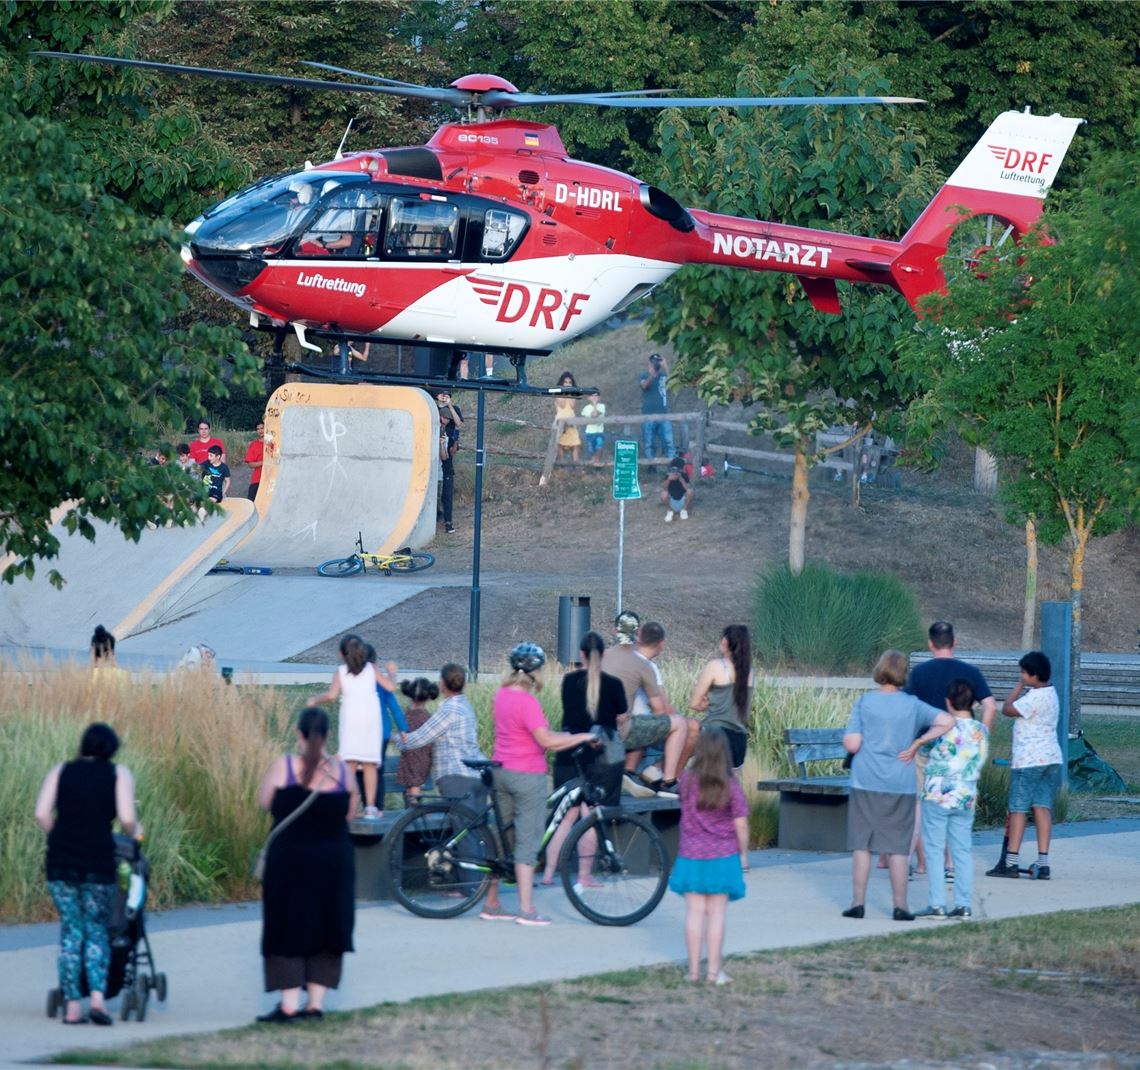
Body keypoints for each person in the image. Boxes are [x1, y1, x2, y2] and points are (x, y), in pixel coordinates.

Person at [478, 643, 597, 926]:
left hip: (501, 771)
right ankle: (527, 910)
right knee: (527, 840)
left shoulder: (502, 695)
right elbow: (545, 742)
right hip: (526, 775)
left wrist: (565, 734)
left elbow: (534, 734)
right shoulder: (527, 700)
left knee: (501, 841)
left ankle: (492, 902)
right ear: (536, 672)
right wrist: (581, 737)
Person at [34, 722, 141, 1026]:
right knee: (96, 929)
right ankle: (97, 1000)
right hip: (97, 862)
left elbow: (41, 813)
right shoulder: (117, 774)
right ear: (111, 748)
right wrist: (135, 833)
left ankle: (71, 1006)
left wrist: (59, 836)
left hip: (61, 863)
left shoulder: (61, 771)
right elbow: (127, 819)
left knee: (71, 930)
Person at [256, 706, 355, 1023]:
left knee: (287, 924)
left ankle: (288, 1006)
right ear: (328, 736)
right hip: (333, 862)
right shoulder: (342, 773)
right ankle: (315, 1005)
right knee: (328, 925)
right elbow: (349, 815)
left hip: (289, 862)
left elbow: (265, 803)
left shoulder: (283, 767)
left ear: (299, 734)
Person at [841, 650, 952, 922]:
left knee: (862, 845)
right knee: (898, 848)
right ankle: (900, 906)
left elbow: (852, 744)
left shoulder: (865, 702)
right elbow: (947, 721)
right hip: (901, 782)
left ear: (879, 670)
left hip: (866, 780)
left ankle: (858, 903)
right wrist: (917, 743)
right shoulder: (913, 705)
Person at [902, 621, 997, 877]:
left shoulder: (919, 673)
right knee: (956, 804)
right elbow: (991, 706)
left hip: (928, 746)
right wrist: (981, 733)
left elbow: (908, 710)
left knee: (921, 806)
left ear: (930, 643)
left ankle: (907, 861)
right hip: (961, 750)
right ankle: (951, 864)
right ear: (954, 642)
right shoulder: (970, 672)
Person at [540, 631, 628, 887]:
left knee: (566, 817)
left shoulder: (568, 681)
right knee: (591, 816)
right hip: (601, 758)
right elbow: (622, 716)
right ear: (604, 655)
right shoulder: (614, 684)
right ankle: (584, 875)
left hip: (570, 753)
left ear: (580, 655)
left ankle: (548, 874)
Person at [668, 728, 749, 986]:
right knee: (716, 915)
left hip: (691, 854)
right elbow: (741, 824)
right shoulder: (731, 785)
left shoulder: (688, 782)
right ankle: (714, 973)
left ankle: (693, 971)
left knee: (694, 912)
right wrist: (744, 854)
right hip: (722, 855)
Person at [903, 679, 989, 919]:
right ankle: (963, 904)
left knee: (934, 848)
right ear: (972, 703)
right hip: (965, 797)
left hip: (937, 795)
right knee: (961, 850)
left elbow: (925, 752)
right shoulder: (981, 731)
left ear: (948, 702)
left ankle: (937, 903)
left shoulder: (941, 729)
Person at [600, 613, 692, 798]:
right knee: (680, 724)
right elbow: (659, 711)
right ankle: (668, 782)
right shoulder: (642, 664)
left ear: (614, 631)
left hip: (595, 727)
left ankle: (630, 773)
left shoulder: (601, 656)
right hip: (619, 731)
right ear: (637, 634)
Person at [989, 651, 1062, 880]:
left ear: (1034, 675)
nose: (1021, 676)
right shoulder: (1051, 693)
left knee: (1018, 808)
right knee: (1041, 807)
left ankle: (1010, 861)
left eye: (1023, 673)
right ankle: (1043, 862)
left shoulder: (1034, 697)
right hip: (1050, 758)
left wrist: (1018, 687)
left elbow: (1007, 709)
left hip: (1029, 760)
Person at [309, 635, 387, 818]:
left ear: (341, 654)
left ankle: (347, 807)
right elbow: (390, 687)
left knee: (349, 764)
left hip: (351, 721)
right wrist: (391, 675)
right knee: (369, 765)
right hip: (370, 722)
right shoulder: (371, 668)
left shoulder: (340, 672)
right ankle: (370, 807)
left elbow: (331, 695)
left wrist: (314, 700)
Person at [395, 663, 488, 809]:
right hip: (477, 776)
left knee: (462, 826)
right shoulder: (466, 706)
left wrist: (398, 741)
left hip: (457, 776)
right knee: (476, 827)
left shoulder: (449, 710)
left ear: (442, 683)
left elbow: (421, 737)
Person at [689, 624, 755, 770]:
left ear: (725, 642)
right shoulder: (749, 671)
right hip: (739, 741)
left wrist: (706, 703)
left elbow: (694, 703)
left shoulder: (715, 666)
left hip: (715, 736)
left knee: (686, 731)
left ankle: (665, 775)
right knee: (729, 788)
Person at [395, 678, 438, 805]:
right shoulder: (427, 716)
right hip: (422, 755)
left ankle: (412, 812)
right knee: (415, 784)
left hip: (408, 754)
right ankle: (416, 811)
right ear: (428, 697)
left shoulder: (406, 714)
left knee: (411, 785)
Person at [638, 352, 674, 461]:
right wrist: (652, 376)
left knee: (668, 441)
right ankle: (651, 465)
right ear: (649, 363)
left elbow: (672, 383)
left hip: (663, 414)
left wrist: (665, 366)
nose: (656, 363)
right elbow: (644, 386)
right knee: (649, 442)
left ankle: (671, 465)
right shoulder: (644, 375)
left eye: (658, 361)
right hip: (648, 414)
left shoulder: (663, 376)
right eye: (654, 361)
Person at [436, 392, 462, 534]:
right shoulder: (433, 416)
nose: (445, 420)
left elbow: (448, 455)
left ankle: (448, 522)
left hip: (446, 465)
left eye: (447, 418)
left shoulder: (450, 431)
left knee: (447, 495)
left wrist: (453, 442)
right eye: (443, 417)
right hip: (433, 464)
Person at [554, 371, 581, 463]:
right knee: (560, 443)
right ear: (562, 383)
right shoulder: (558, 394)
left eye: (569, 383)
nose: (567, 384)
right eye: (565, 382)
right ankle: (562, 462)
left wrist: (570, 393)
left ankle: (575, 463)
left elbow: (572, 405)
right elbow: (561, 404)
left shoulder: (572, 395)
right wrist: (564, 392)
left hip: (571, 420)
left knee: (575, 443)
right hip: (561, 419)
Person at [661, 454, 694, 522]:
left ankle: (684, 510)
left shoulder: (684, 475)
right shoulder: (668, 475)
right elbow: (664, 488)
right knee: (663, 494)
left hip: (682, 500)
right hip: (672, 500)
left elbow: (687, 489)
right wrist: (669, 479)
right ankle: (669, 511)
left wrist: (681, 479)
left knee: (690, 491)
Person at [581, 388, 606, 463]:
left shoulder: (602, 406)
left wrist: (595, 404)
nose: (594, 398)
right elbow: (592, 415)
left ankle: (597, 461)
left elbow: (595, 414)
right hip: (589, 432)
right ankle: (593, 461)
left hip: (599, 431)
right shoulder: (586, 408)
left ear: (599, 397)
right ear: (588, 398)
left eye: (596, 396)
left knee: (599, 445)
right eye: (592, 396)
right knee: (591, 448)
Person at [243, 421, 266, 502]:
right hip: (257, 479)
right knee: (250, 503)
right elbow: (250, 464)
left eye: (262, 428)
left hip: (271, 478)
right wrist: (263, 463)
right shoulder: (254, 445)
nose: (260, 431)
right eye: (258, 429)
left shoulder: (274, 443)